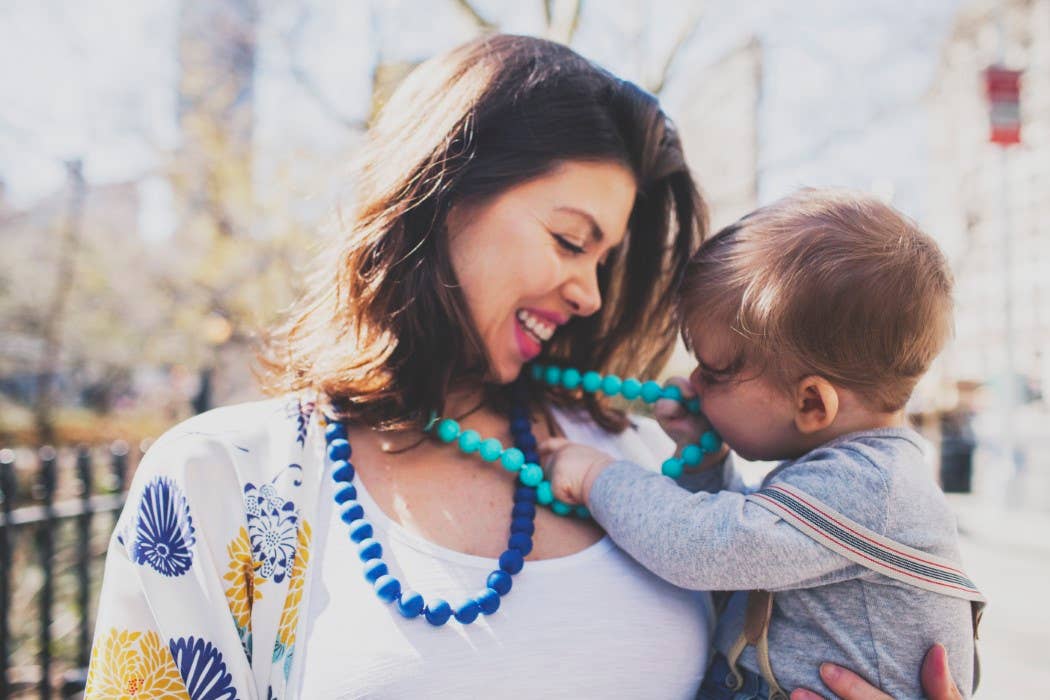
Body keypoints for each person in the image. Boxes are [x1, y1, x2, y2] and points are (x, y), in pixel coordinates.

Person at [84, 35, 962, 699]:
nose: (589, 293)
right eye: (571, 240)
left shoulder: (651, 463)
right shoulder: (221, 483)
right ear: (439, 194)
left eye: (605, 261)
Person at [543, 190, 984, 698]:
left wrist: (597, 477)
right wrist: (707, 463)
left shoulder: (871, 487)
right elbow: (749, 546)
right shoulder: (854, 474)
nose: (694, 382)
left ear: (812, 403)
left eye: (714, 373)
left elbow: (703, 548)